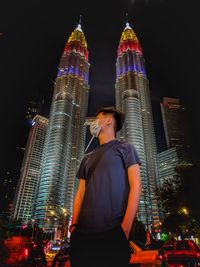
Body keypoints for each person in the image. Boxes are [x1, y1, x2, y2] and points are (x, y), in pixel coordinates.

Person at [70, 106, 142, 267]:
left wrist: (125, 228)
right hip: (81, 235)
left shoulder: (126, 148)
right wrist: (74, 226)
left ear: (108, 120)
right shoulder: (87, 158)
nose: (93, 123)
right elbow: (80, 192)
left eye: (97, 118)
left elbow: (136, 185)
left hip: (113, 233)